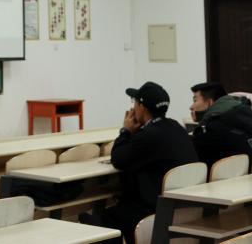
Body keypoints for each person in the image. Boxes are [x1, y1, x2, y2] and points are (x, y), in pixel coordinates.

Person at [79, 81, 197, 244]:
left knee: (100, 219)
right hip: (181, 207)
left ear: (142, 107)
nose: (133, 107)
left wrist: (125, 131)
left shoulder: (149, 135)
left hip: (152, 210)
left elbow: (118, 159)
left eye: (134, 102)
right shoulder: (175, 127)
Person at [190, 81, 252, 167]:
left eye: (195, 100)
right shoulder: (244, 116)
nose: (191, 107)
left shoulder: (209, 131)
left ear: (209, 102)